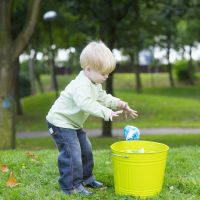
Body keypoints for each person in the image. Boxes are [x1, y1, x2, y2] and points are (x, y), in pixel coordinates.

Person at [46, 41, 138, 196]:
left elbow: (103, 97)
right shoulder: (81, 85)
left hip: (73, 123)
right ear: (88, 69)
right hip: (60, 122)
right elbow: (85, 103)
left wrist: (120, 104)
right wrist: (106, 113)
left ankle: (87, 179)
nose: (106, 77)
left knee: (86, 150)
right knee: (72, 153)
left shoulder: (94, 82)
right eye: (103, 73)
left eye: (108, 73)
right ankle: (71, 187)